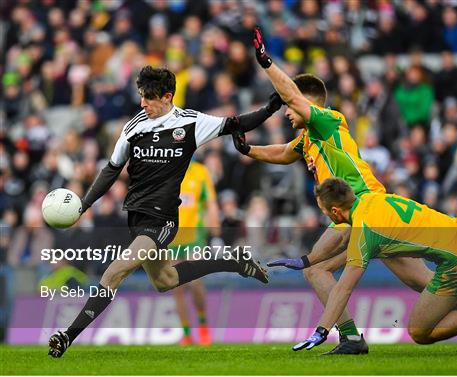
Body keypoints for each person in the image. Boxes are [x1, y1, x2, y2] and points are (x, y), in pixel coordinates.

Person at [242, 26, 457, 355]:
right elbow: (282, 152)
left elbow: (292, 97)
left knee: (317, 269)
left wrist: (266, 63)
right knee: (418, 281)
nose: (286, 113)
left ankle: (349, 338)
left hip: (364, 210)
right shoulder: (308, 140)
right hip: (365, 214)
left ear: (307, 104)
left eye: (289, 107)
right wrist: (249, 150)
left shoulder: (328, 121)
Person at [47, 65, 282, 358]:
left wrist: (270, 108)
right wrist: (84, 204)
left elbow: (237, 123)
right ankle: (233, 261)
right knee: (166, 281)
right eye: (141, 97)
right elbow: (111, 170)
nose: (143, 103)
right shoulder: (134, 126)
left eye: (148, 98)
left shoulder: (191, 122)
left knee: (113, 273)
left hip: (163, 220)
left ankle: (67, 336)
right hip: (136, 217)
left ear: (167, 96)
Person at [291, 178, 457, 356]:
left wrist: (321, 331)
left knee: (420, 331)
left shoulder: (364, 231)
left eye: (325, 212)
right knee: (435, 292)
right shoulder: (370, 200)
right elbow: (351, 247)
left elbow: (343, 288)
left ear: (335, 211)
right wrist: (313, 263)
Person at [169, 160, 220, 346]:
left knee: (195, 282)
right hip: (171, 239)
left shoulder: (200, 172)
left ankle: (203, 323)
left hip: (194, 237)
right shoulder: (167, 171)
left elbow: (211, 202)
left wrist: (215, 231)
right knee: (177, 287)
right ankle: (186, 333)